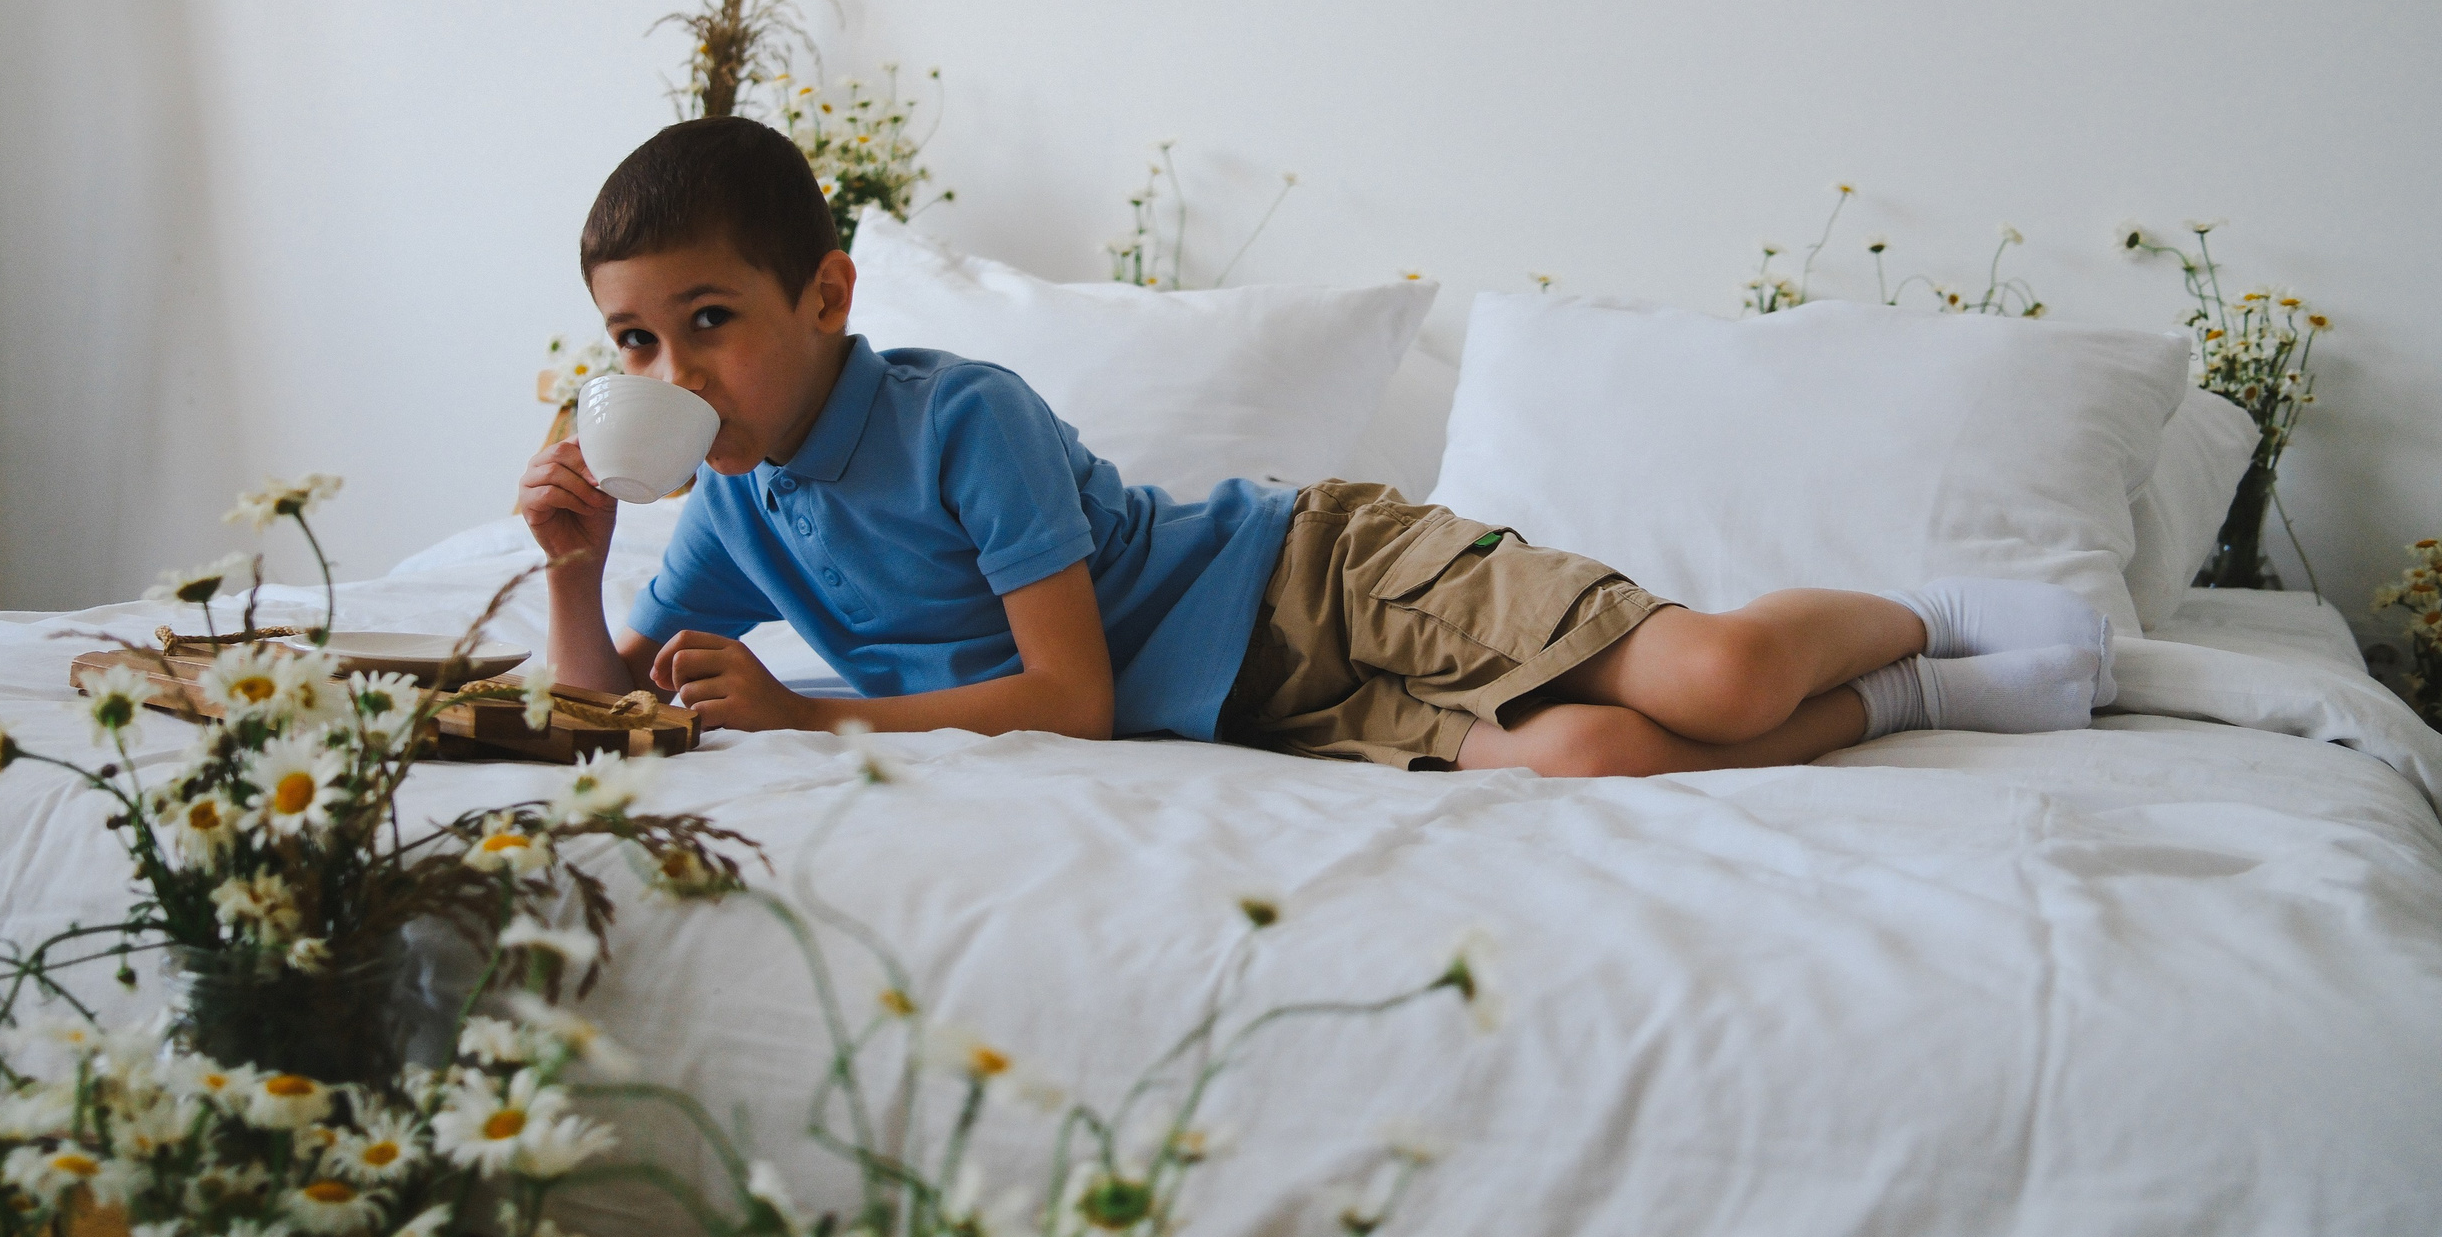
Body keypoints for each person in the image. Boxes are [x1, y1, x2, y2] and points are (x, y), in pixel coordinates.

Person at [518, 118, 2112, 779]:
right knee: (1593, 763)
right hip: (1250, 706)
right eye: (638, 343)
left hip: (1306, 578)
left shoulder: (958, 419)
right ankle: (1901, 704)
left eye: (710, 320)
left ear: (827, 294)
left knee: (1716, 680)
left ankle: (1917, 616)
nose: (676, 370)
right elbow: (603, 704)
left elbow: (1069, 699)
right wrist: (578, 576)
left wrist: (813, 715)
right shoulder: (734, 503)